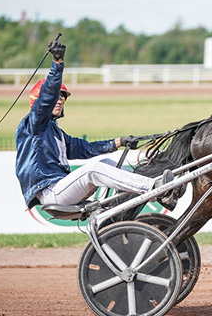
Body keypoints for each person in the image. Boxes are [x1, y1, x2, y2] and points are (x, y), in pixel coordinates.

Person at [15, 40, 154, 209]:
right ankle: (152, 188)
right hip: (50, 193)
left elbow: (85, 148)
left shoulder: (56, 132)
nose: (59, 102)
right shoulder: (33, 124)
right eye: (56, 98)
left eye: (63, 98)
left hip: (62, 188)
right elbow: (47, 97)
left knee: (107, 163)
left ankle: (150, 183)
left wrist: (119, 142)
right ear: (38, 103)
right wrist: (57, 64)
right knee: (92, 169)